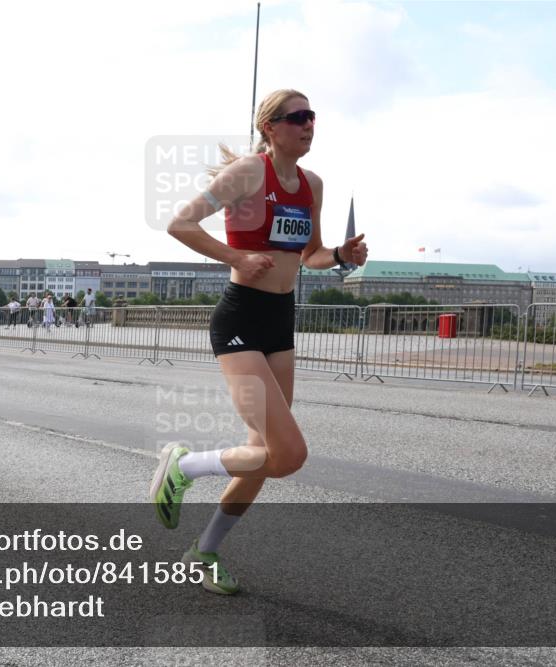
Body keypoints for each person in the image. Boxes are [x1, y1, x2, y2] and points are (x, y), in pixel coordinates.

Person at [148, 89, 368, 595]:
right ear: (270, 126)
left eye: (312, 116)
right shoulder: (249, 173)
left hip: (279, 322)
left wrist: (341, 254)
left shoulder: (311, 184)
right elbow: (180, 223)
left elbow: (310, 255)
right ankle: (182, 466)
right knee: (287, 455)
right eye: (297, 117)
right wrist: (237, 258)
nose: (308, 125)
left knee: (263, 455)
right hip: (241, 318)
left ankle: (203, 552)